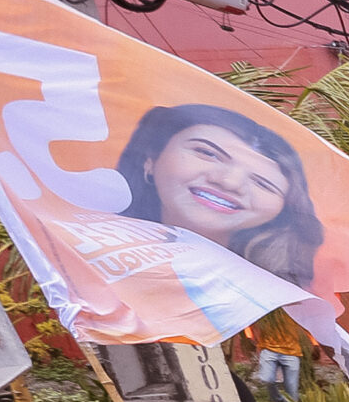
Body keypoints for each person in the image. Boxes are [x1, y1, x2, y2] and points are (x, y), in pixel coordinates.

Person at [114, 104, 324, 283]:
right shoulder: (83, 233)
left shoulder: (272, 299)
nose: (229, 183)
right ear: (150, 158)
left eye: (263, 183)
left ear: (282, 210)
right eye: (207, 153)